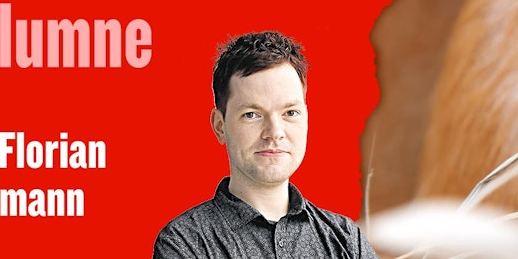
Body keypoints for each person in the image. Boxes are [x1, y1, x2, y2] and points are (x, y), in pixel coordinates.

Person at [154, 31, 377, 259]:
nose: (274, 133)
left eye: (290, 112)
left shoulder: (346, 238)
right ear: (220, 126)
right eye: (252, 114)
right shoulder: (185, 243)